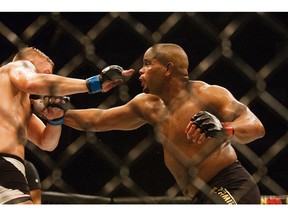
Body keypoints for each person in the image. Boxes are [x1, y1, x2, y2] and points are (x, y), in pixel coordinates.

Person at [49, 43, 265, 204]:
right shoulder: (148, 106)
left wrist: (226, 129)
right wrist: (58, 114)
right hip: (198, 196)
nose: (140, 71)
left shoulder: (208, 95)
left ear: (168, 69)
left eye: (147, 64)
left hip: (229, 185)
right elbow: (99, 119)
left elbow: (255, 126)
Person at [0, 47, 134, 204]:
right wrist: (93, 83)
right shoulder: (18, 66)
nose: (49, 78)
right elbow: (32, 83)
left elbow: (47, 143)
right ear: (29, 63)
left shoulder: (17, 103)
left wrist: (55, 120)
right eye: (46, 73)